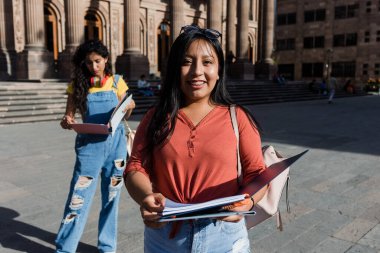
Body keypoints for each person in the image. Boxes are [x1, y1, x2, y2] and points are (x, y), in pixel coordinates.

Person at [123, 25, 268, 252]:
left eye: (207, 62)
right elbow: (135, 166)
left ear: (219, 70)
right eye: (187, 61)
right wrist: (147, 196)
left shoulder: (238, 118)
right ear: (174, 69)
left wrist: (248, 202)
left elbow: (258, 173)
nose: (197, 71)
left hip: (224, 236)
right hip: (165, 236)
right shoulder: (156, 117)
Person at [56, 39, 135, 253]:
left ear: (106, 59)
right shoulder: (78, 85)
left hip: (116, 146)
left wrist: (128, 107)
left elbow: (126, 112)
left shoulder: (118, 82)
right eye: (89, 63)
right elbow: (68, 117)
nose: (94, 66)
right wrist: (67, 121)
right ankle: (65, 248)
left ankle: (107, 247)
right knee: (78, 198)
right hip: (89, 148)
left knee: (112, 198)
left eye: (98, 61)